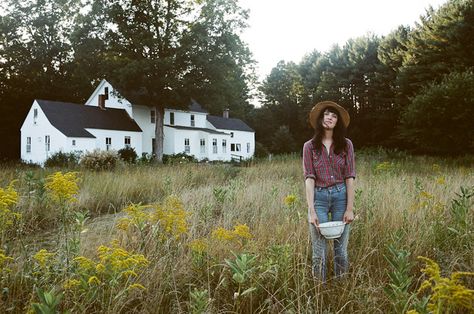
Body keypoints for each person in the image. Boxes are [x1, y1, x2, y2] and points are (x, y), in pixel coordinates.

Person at [302, 100, 356, 282]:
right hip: (319, 197)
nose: (330, 118)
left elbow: (350, 176)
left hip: (341, 196)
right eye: (327, 114)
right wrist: (312, 210)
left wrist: (349, 208)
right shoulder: (309, 146)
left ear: (337, 122)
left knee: (341, 250)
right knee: (319, 251)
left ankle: (342, 288)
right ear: (320, 119)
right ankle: (319, 291)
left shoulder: (346, 144)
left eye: (334, 116)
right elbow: (309, 178)